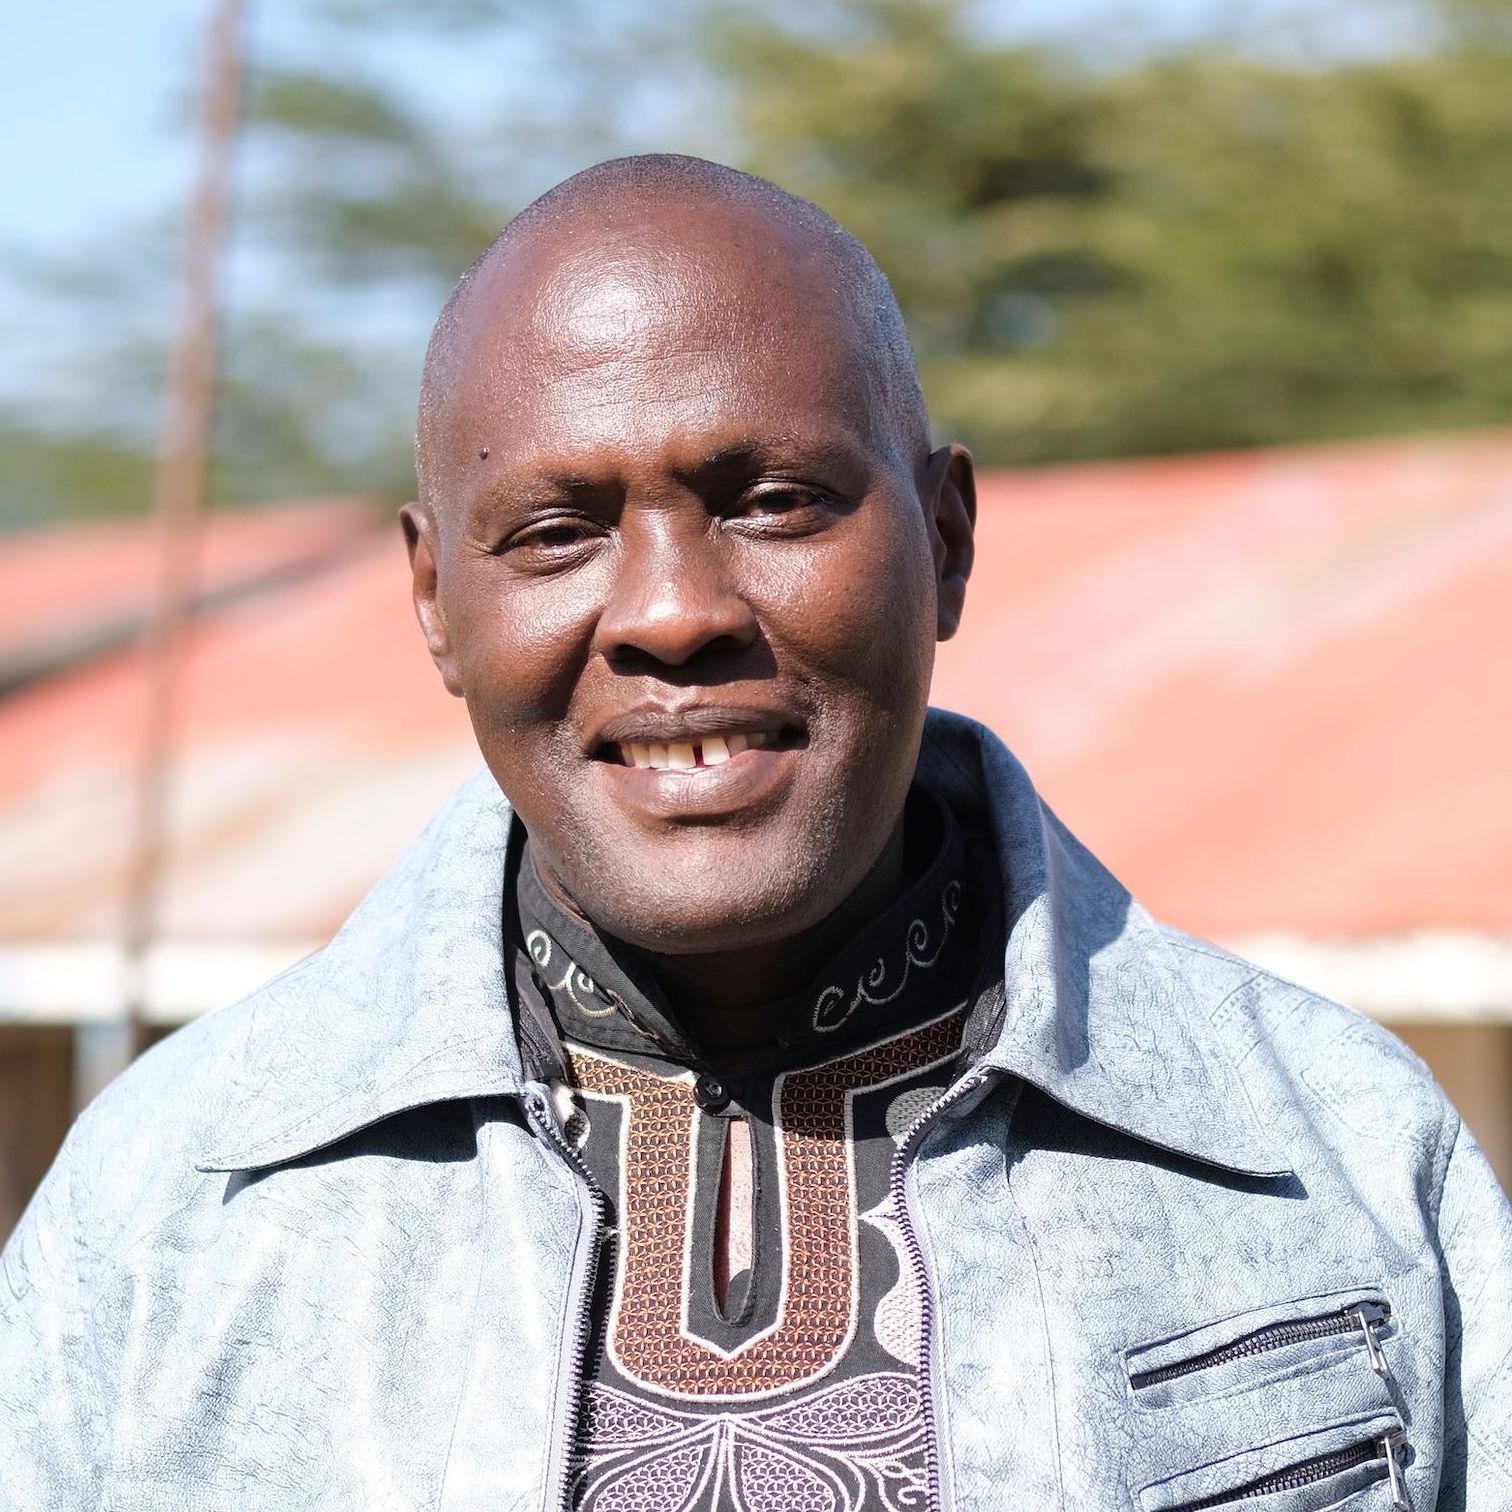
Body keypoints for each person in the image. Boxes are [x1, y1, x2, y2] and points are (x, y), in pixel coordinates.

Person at [2, 154, 1509, 1511]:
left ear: (947, 544)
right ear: (434, 601)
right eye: (555, 533)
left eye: (776, 501)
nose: (671, 614)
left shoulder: (1340, 1152)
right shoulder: (167, 1209)